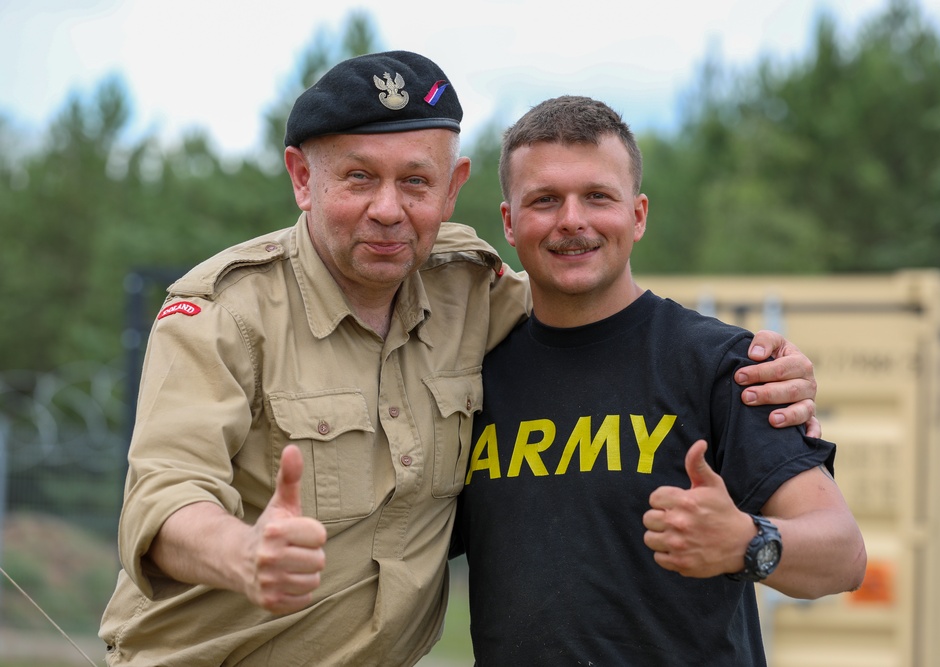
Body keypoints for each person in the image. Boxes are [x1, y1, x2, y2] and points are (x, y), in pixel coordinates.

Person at [99, 52, 822, 666]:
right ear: (300, 177)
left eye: (415, 181)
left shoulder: (469, 291)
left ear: (452, 187)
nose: (389, 208)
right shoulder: (225, 315)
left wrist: (756, 360)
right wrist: (245, 552)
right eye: (358, 178)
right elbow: (166, 499)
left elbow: (587, 299)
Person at [456, 95, 867, 666]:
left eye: (598, 196)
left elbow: (844, 554)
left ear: (638, 214)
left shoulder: (721, 365)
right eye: (545, 200)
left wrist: (746, 542)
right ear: (508, 222)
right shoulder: (468, 381)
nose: (572, 219)